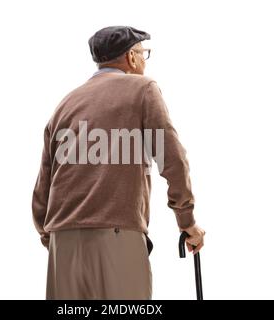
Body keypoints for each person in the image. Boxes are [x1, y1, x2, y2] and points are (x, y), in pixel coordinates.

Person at [32, 26, 205, 300]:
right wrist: (187, 221)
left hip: (62, 242)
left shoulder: (65, 104)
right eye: (143, 54)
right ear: (131, 57)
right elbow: (172, 159)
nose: (145, 61)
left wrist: (52, 239)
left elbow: (43, 185)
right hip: (116, 236)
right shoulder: (143, 89)